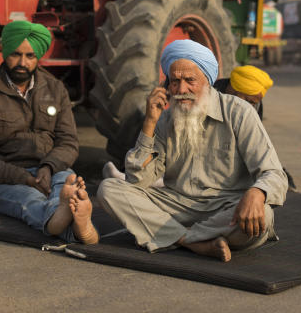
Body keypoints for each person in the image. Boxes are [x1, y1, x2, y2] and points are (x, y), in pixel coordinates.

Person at [96, 40, 289, 262]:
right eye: (175, 81)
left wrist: (257, 193)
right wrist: (149, 123)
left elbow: (274, 174)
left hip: (225, 210)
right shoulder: (165, 118)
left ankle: (175, 236)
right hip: (175, 205)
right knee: (109, 189)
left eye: (190, 81)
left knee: (262, 215)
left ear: (207, 81)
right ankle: (193, 242)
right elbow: (138, 180)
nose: (181, 90)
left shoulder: (240, 113)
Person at [0, 20, 98, 244]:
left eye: (30, 56)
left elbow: (68, 142)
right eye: (16, 54)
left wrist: (47, 168)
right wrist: (26, 179)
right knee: (29, 200)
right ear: (4, 52)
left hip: (53, 170)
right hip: (6, 179)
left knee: (66, 181)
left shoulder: (55, 88)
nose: (22, 63)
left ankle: (65, 211)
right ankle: (73, 226)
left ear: (38, 57)